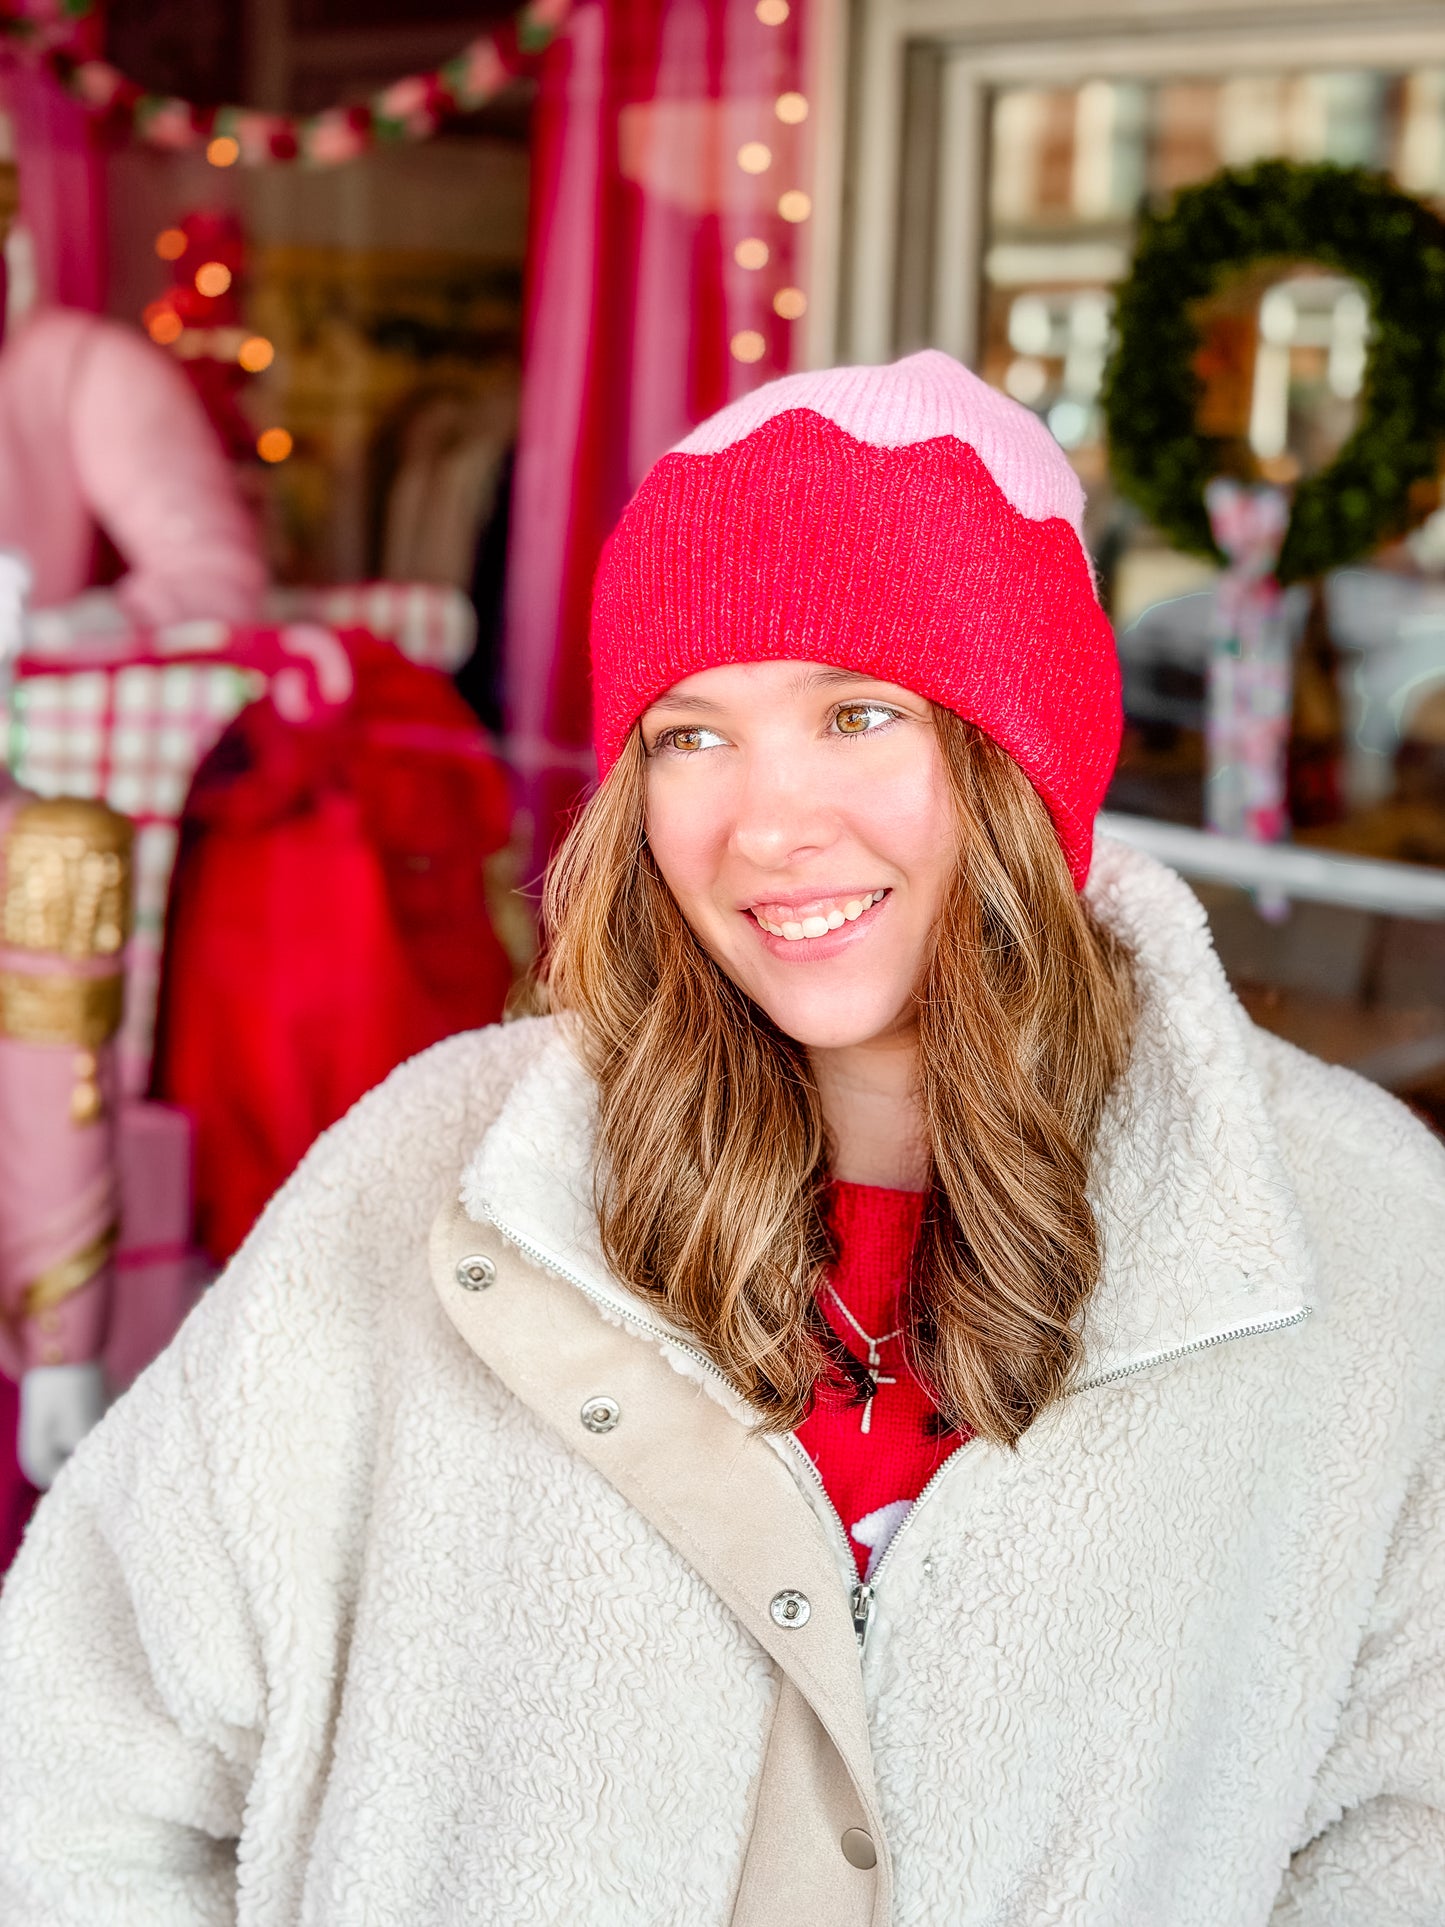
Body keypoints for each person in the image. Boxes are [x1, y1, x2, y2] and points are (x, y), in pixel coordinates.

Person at [1, 351, 1442, 1925]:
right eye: (690, 735)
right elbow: (67, 1773)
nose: (765, 824)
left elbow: (1408, 1833)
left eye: (857, 714)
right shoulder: (428, 1177)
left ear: (1026, 754)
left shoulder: (1355, 1233)